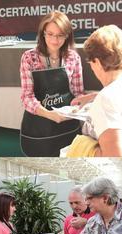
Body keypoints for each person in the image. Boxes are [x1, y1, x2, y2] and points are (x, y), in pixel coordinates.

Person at [72, 24, 122, 157]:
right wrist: (95, 96)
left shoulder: (106, 100)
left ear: (97, 62)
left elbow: (115, 158)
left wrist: (83, 146)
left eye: (90, 62)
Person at [20, 11, 84, 157]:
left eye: (60, 35)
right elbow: (27, 97)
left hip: (67, 125)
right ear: (43, 34)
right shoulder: (29, 58)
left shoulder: (73, 57)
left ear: (67, 35)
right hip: (38, 127)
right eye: (50, 34)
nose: (55, 40)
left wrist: (76, 109)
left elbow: (78, 93)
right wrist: (49, 114)